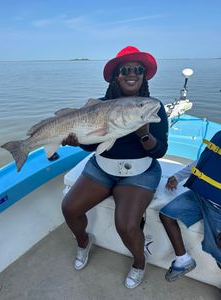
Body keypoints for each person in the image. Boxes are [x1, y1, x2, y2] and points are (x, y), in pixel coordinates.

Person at [61, 46, 169, 289]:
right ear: (116, 76)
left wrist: (144, 135)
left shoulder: (152, 106)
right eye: (126, 70)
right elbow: (92, 148)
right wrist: (77, 142)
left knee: (126, 225)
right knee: (69, 208)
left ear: (144, 75)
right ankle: (83, 241)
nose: (132, 74)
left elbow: (160, 151)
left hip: (140, 172)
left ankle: (140, 262)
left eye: (138, 70)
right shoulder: (98, 106)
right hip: (102, 168)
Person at [159, 131, 221, 282]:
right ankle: (183, 261)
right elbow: (206, 159)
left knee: (219, 251)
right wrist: (178, 176)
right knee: (166, 215)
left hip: (218, 208)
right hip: (198, 194)